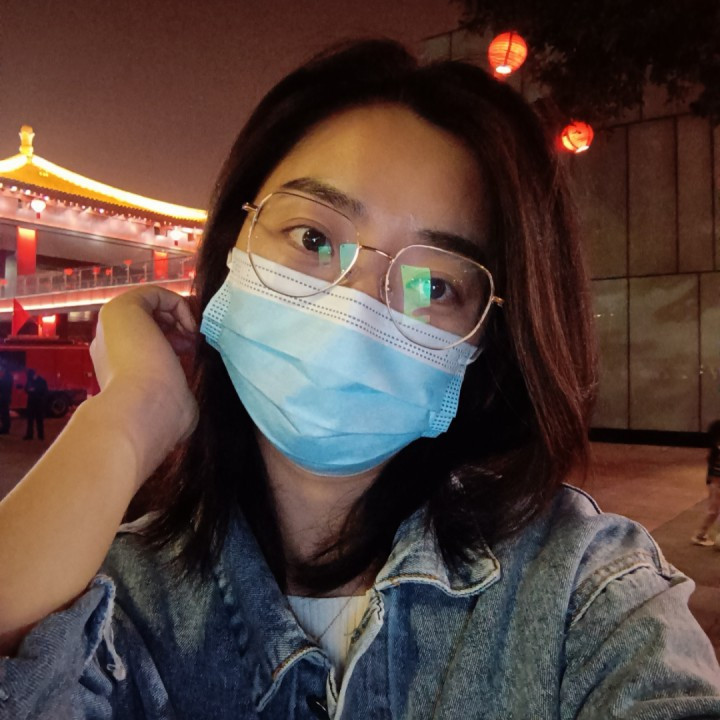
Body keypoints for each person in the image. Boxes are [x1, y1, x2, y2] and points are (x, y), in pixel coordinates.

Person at [0, 39, 719, 719]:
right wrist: (135, 411)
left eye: (433, 285)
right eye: (313, 238)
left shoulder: (583, 592)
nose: (353, 308)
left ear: (486, 341)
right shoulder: (108, 598)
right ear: (230, 246)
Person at [691, 419, 720, 546]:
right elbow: (715, 474)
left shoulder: (715, 450)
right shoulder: (717, 451)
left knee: (714, 511)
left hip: (715, 484)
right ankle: (699, 535)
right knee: (713, 511)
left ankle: (702, 534)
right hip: (717, 485)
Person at [22, 368, 47, 441]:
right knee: (30, 420)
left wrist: (34, 390)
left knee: (39, 420)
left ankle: (40, 435)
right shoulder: (30, 380)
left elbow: (44, 391)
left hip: (38, 402)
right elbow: (26, 388)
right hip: (31, 402)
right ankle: (30, 435)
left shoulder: (41, 381)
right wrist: (28, 390)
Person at [0, 362, 12, 434]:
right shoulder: (7, 376)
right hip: (5, 397)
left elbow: (3, 386)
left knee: (4, 413)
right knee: (4, 413)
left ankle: (5, 428)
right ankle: (5, 428)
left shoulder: (7, 376)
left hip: (4, 398)